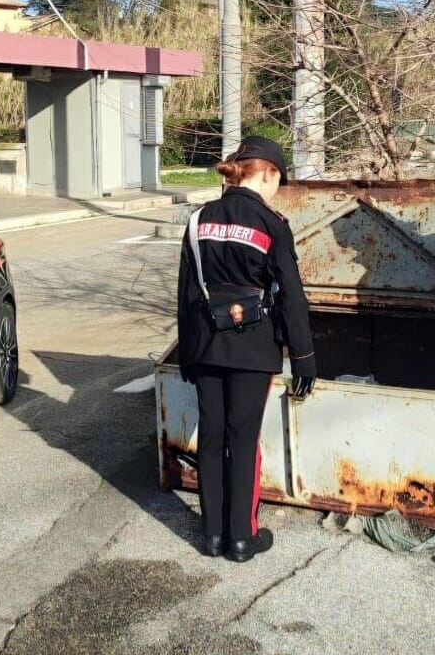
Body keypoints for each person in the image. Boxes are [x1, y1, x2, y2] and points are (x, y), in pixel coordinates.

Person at [176, 135, 317, 563]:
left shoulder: (198, 219)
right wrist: (304, 355)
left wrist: (187, 351)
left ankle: (212, 535)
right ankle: (242, 536)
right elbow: (291, 294)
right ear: (268, 174)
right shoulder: (272, 225)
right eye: (279, 180)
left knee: (213, 438)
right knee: (243, 439)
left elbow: (185, 291)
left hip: (204, 341)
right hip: (252, 347)